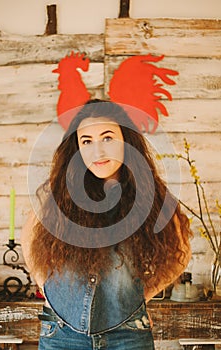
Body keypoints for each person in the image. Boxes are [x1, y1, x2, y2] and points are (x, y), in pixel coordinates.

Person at [21, 99, 192, 350]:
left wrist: (140, 297)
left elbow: (181, 253)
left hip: (128, 336)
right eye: (86, 141)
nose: (97, 151)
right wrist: (42, 283)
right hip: (61, 334)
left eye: (108, 138)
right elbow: (29, 237)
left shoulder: (151, 197)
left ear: (126, 141)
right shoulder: (62, 193)